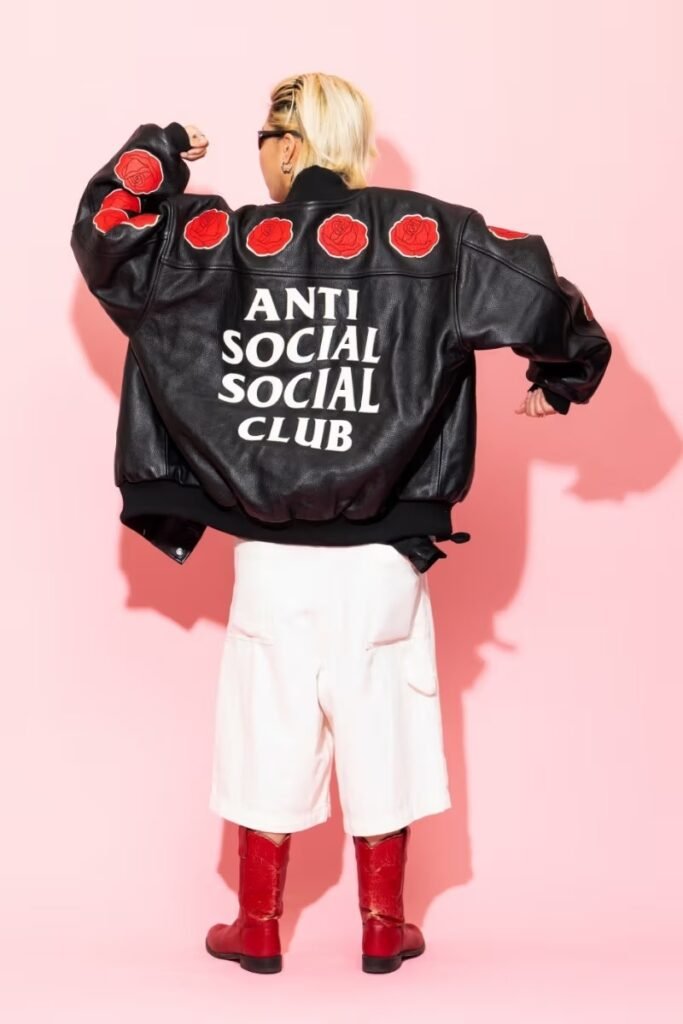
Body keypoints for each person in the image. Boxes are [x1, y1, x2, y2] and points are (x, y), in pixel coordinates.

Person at [69, 72, 612, 975]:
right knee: (384, 727)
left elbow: (106, 238)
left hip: (272, 560)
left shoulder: (216, 245)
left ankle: (256, 927)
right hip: (382, 560)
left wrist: (157, 151)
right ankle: (381, 926)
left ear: (286, 147)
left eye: (262, 142)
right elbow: (534, 285)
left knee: (266, 728)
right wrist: (566, 371)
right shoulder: (431, 235)